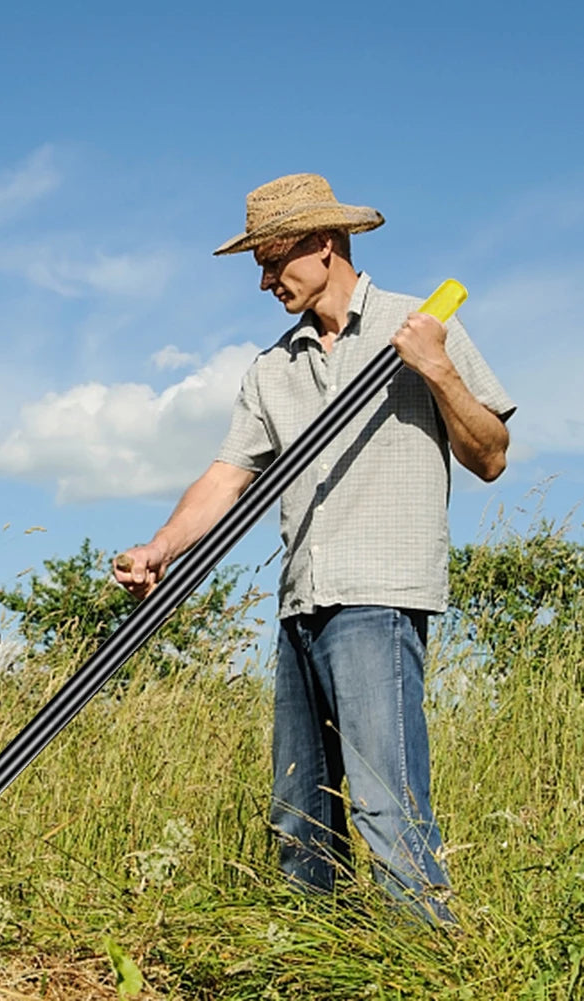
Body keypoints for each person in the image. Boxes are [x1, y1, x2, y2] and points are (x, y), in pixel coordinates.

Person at [113, 173, 515, 924]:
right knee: (301, 819)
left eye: (272, 261)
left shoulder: (420, 325)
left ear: (323, 244)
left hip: (379, 596)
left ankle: (424, 962)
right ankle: (317, 962)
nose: (264, 281)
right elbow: (225, 475)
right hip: (301, 601)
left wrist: (435, 367)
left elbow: (489, 453)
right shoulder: (273, 367)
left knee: (384, 808)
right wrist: (160, 545)